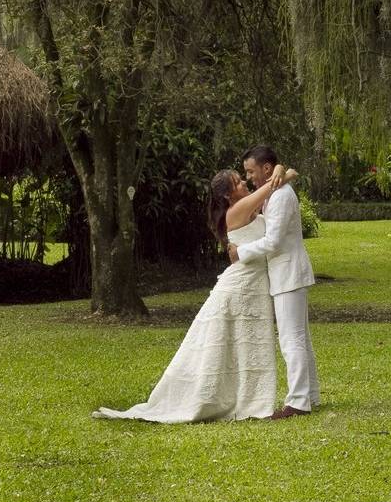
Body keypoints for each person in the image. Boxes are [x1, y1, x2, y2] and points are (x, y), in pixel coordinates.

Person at [91, 165, 296, 423]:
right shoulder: (237, 211)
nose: (245, 183)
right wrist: (282, 172)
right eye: (239, 183)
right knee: (224, 344)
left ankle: (249, 397)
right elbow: (272, 186)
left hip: (255, 286)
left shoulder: (248, 208)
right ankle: (223, 399)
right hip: (240, 286)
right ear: (227, 196)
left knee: (248, 344)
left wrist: (277, 168)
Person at [228, 145, 320, 420]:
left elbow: (274, 241)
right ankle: (310, 395)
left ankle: (298, 402)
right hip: (287, 274)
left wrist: (240, 252)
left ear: (266, 168)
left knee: (291, 340)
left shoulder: (280, 195)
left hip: (288, 274)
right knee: (300, 338)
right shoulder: (275, 190)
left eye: (251, 171)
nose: (249, 177)